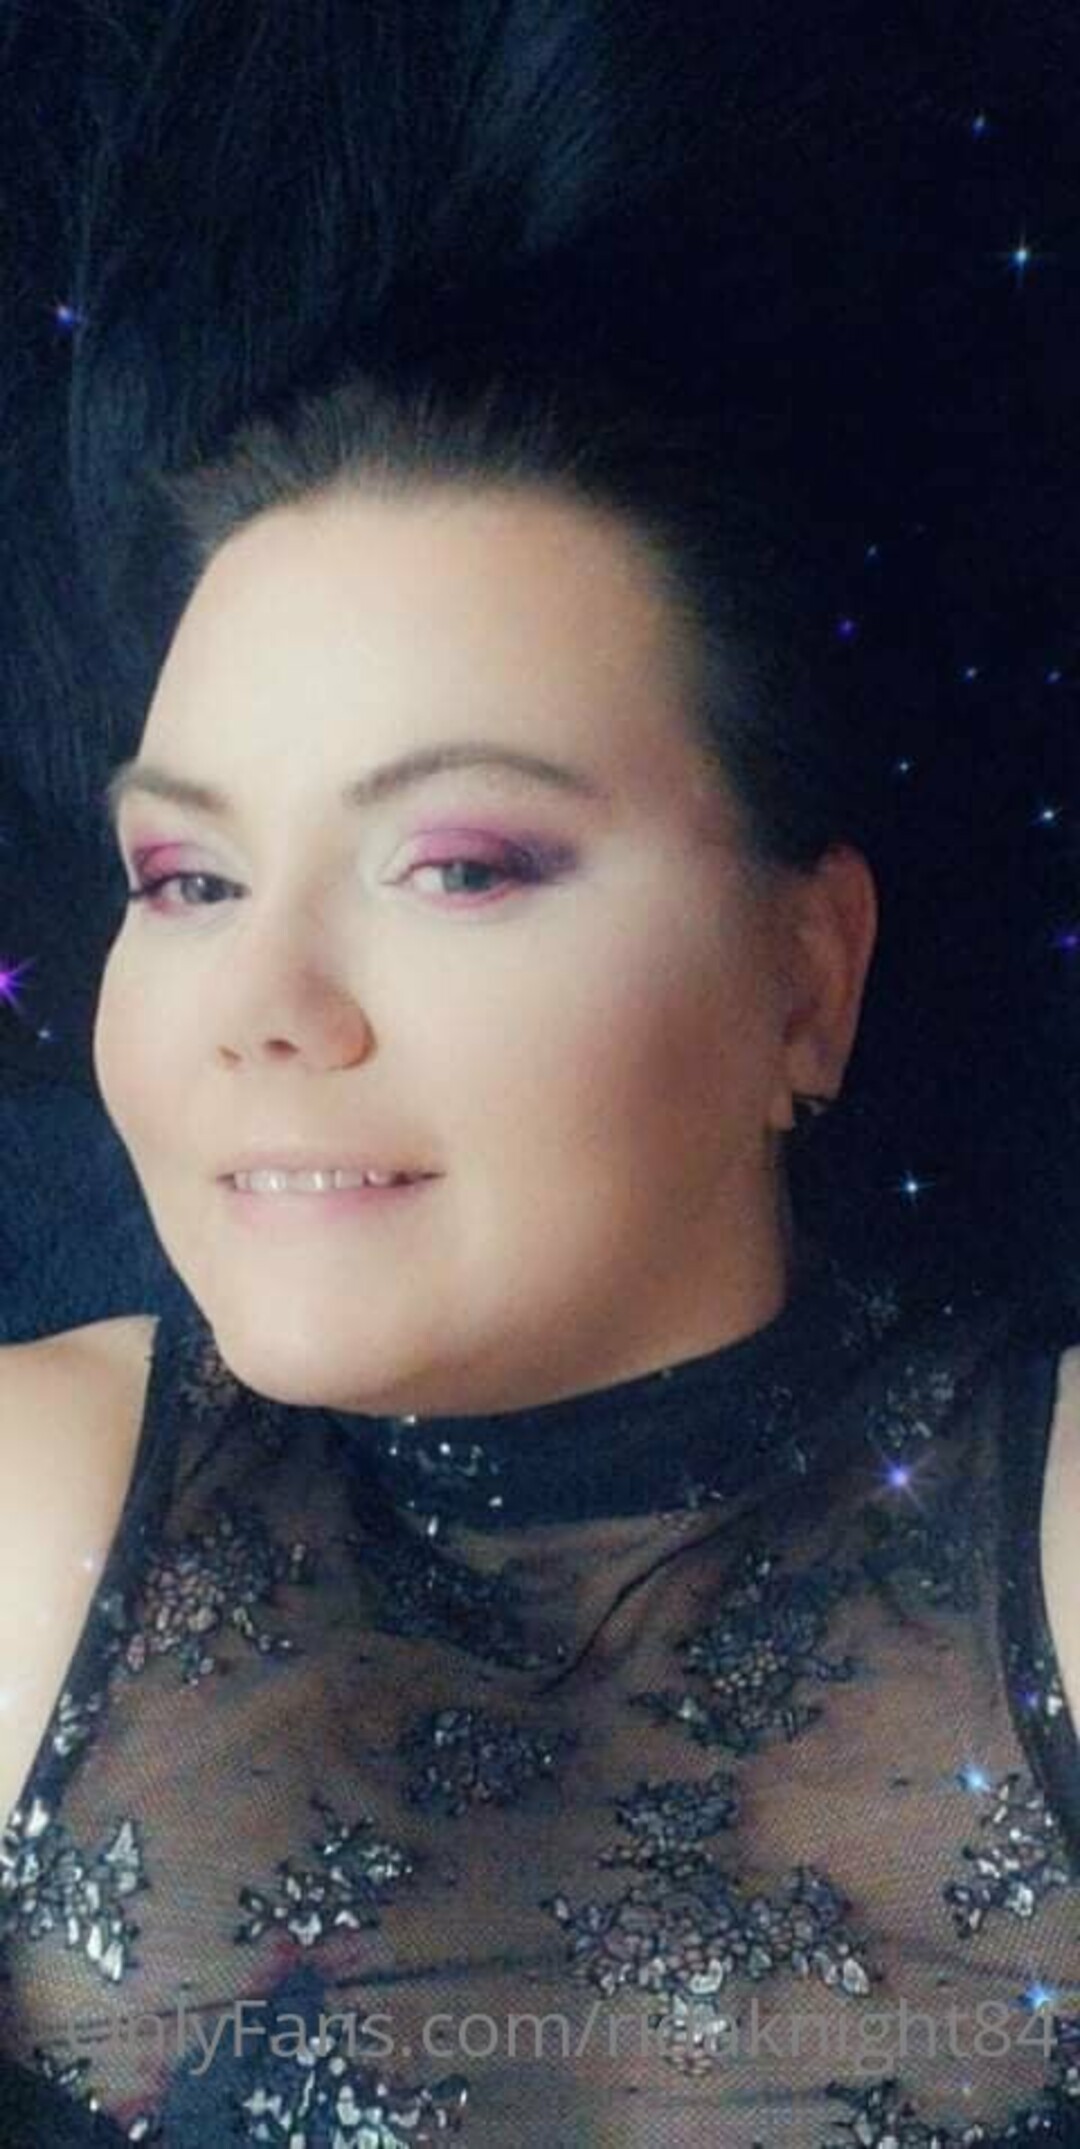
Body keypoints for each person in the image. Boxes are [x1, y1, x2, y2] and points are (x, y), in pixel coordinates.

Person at [1, 359, 1079, 2149]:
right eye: (188, 878)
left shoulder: (1050, 1540)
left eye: (460, 866)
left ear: (806, 978)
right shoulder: (32, 1508)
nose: (261, 1003)